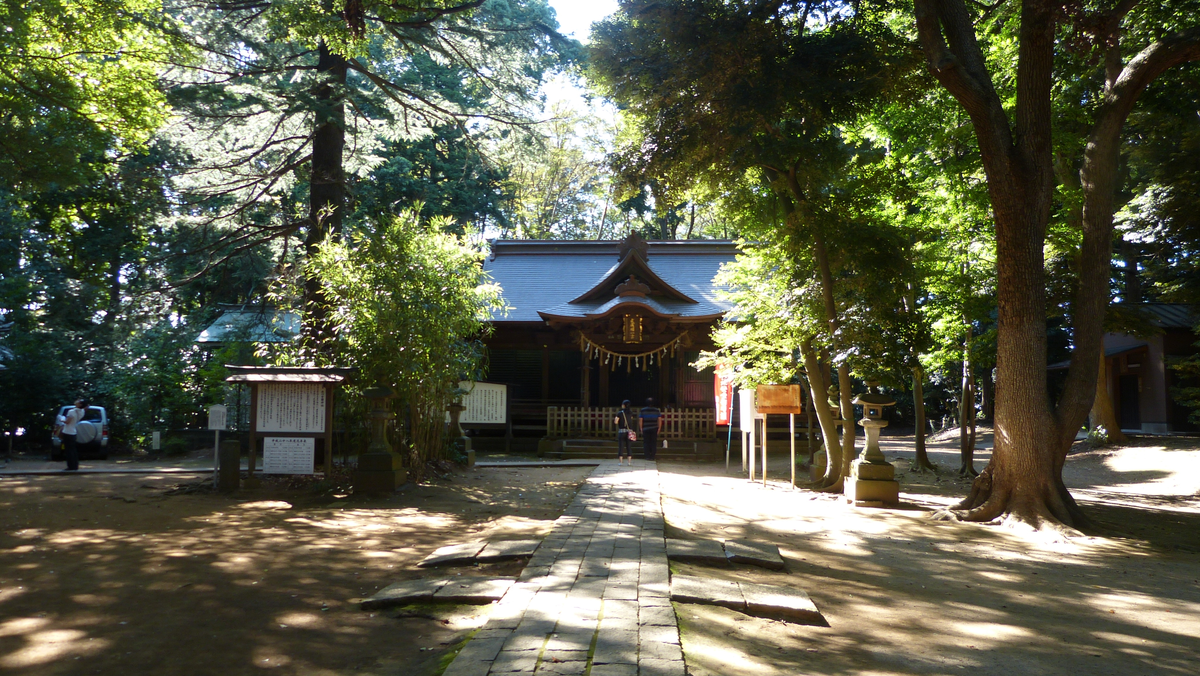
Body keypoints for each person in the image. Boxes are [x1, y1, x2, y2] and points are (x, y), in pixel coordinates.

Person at [60, 398, 86, 471]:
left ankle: (70, 466)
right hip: (73, 432)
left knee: (68, 451)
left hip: (67, 432)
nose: (77, 401)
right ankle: (75, 465)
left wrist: (61, 419)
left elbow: (67, 422)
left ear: (80, 404)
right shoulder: (82, 411)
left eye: (79, 401)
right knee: (73, 450)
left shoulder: (71, 411)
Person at [614, 400, 635, 465]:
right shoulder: (631, 413)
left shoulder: (620, 413)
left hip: (622, 431)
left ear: (624, 405)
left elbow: (616, 422)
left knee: (621, 446)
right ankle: (629, 462)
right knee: (629, 446)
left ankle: (621, 462)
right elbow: (631, 420)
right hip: (629, 432)